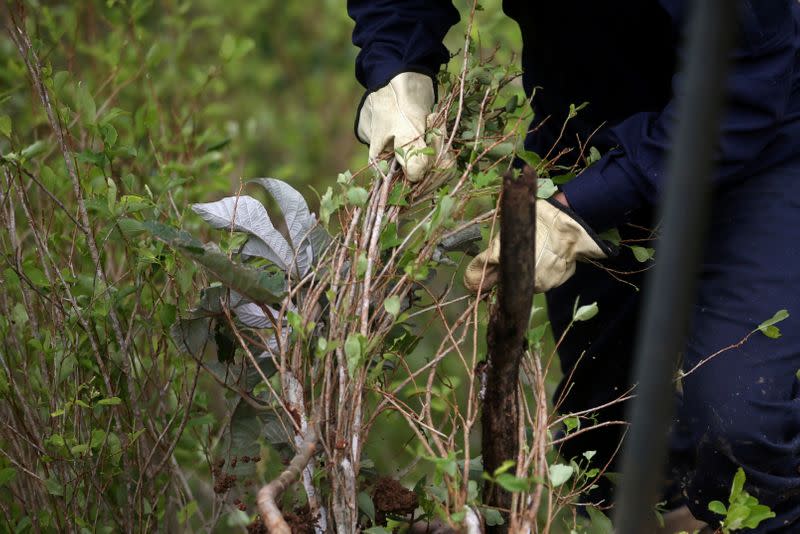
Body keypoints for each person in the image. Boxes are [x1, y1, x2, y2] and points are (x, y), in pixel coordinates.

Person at [348, 1, 800, 532]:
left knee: (742, 426)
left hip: (755, 137)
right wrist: (398, 70)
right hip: (586, 135)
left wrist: (583, 207)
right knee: (607, 440)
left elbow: (744, 83)